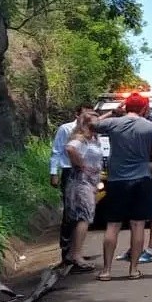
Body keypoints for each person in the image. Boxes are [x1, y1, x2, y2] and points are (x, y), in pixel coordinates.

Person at [89, 92, 152, 280]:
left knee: (113, 225)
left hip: (117, 180)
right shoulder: (150, 126)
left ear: (125, 107)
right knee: (138, 225)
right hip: (142, 179)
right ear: (144, 109)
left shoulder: (113, 124)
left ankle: (106, 271)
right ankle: (134, 269)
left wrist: (112, 113)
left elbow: (91, 125)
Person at [49, 103, 94, 266]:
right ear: (77, 115)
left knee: (83, 213)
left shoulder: (92, 131)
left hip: (86, 176)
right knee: (70, 213)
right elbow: (57, 151)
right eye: (85, 114)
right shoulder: (66, 129)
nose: (88, 117)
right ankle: (66, 252)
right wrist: (54, 173)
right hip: (70, 172)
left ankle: (77, 252)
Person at [61, 111, 103, 273]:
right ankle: (77, 255)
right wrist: (82, 164)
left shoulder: (93, 137)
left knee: (83, 217)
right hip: (81, 182)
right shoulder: (81, 139)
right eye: (94, 123)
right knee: (83, 217)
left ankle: (73, 253)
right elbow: (70, 149)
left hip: (89, 182)